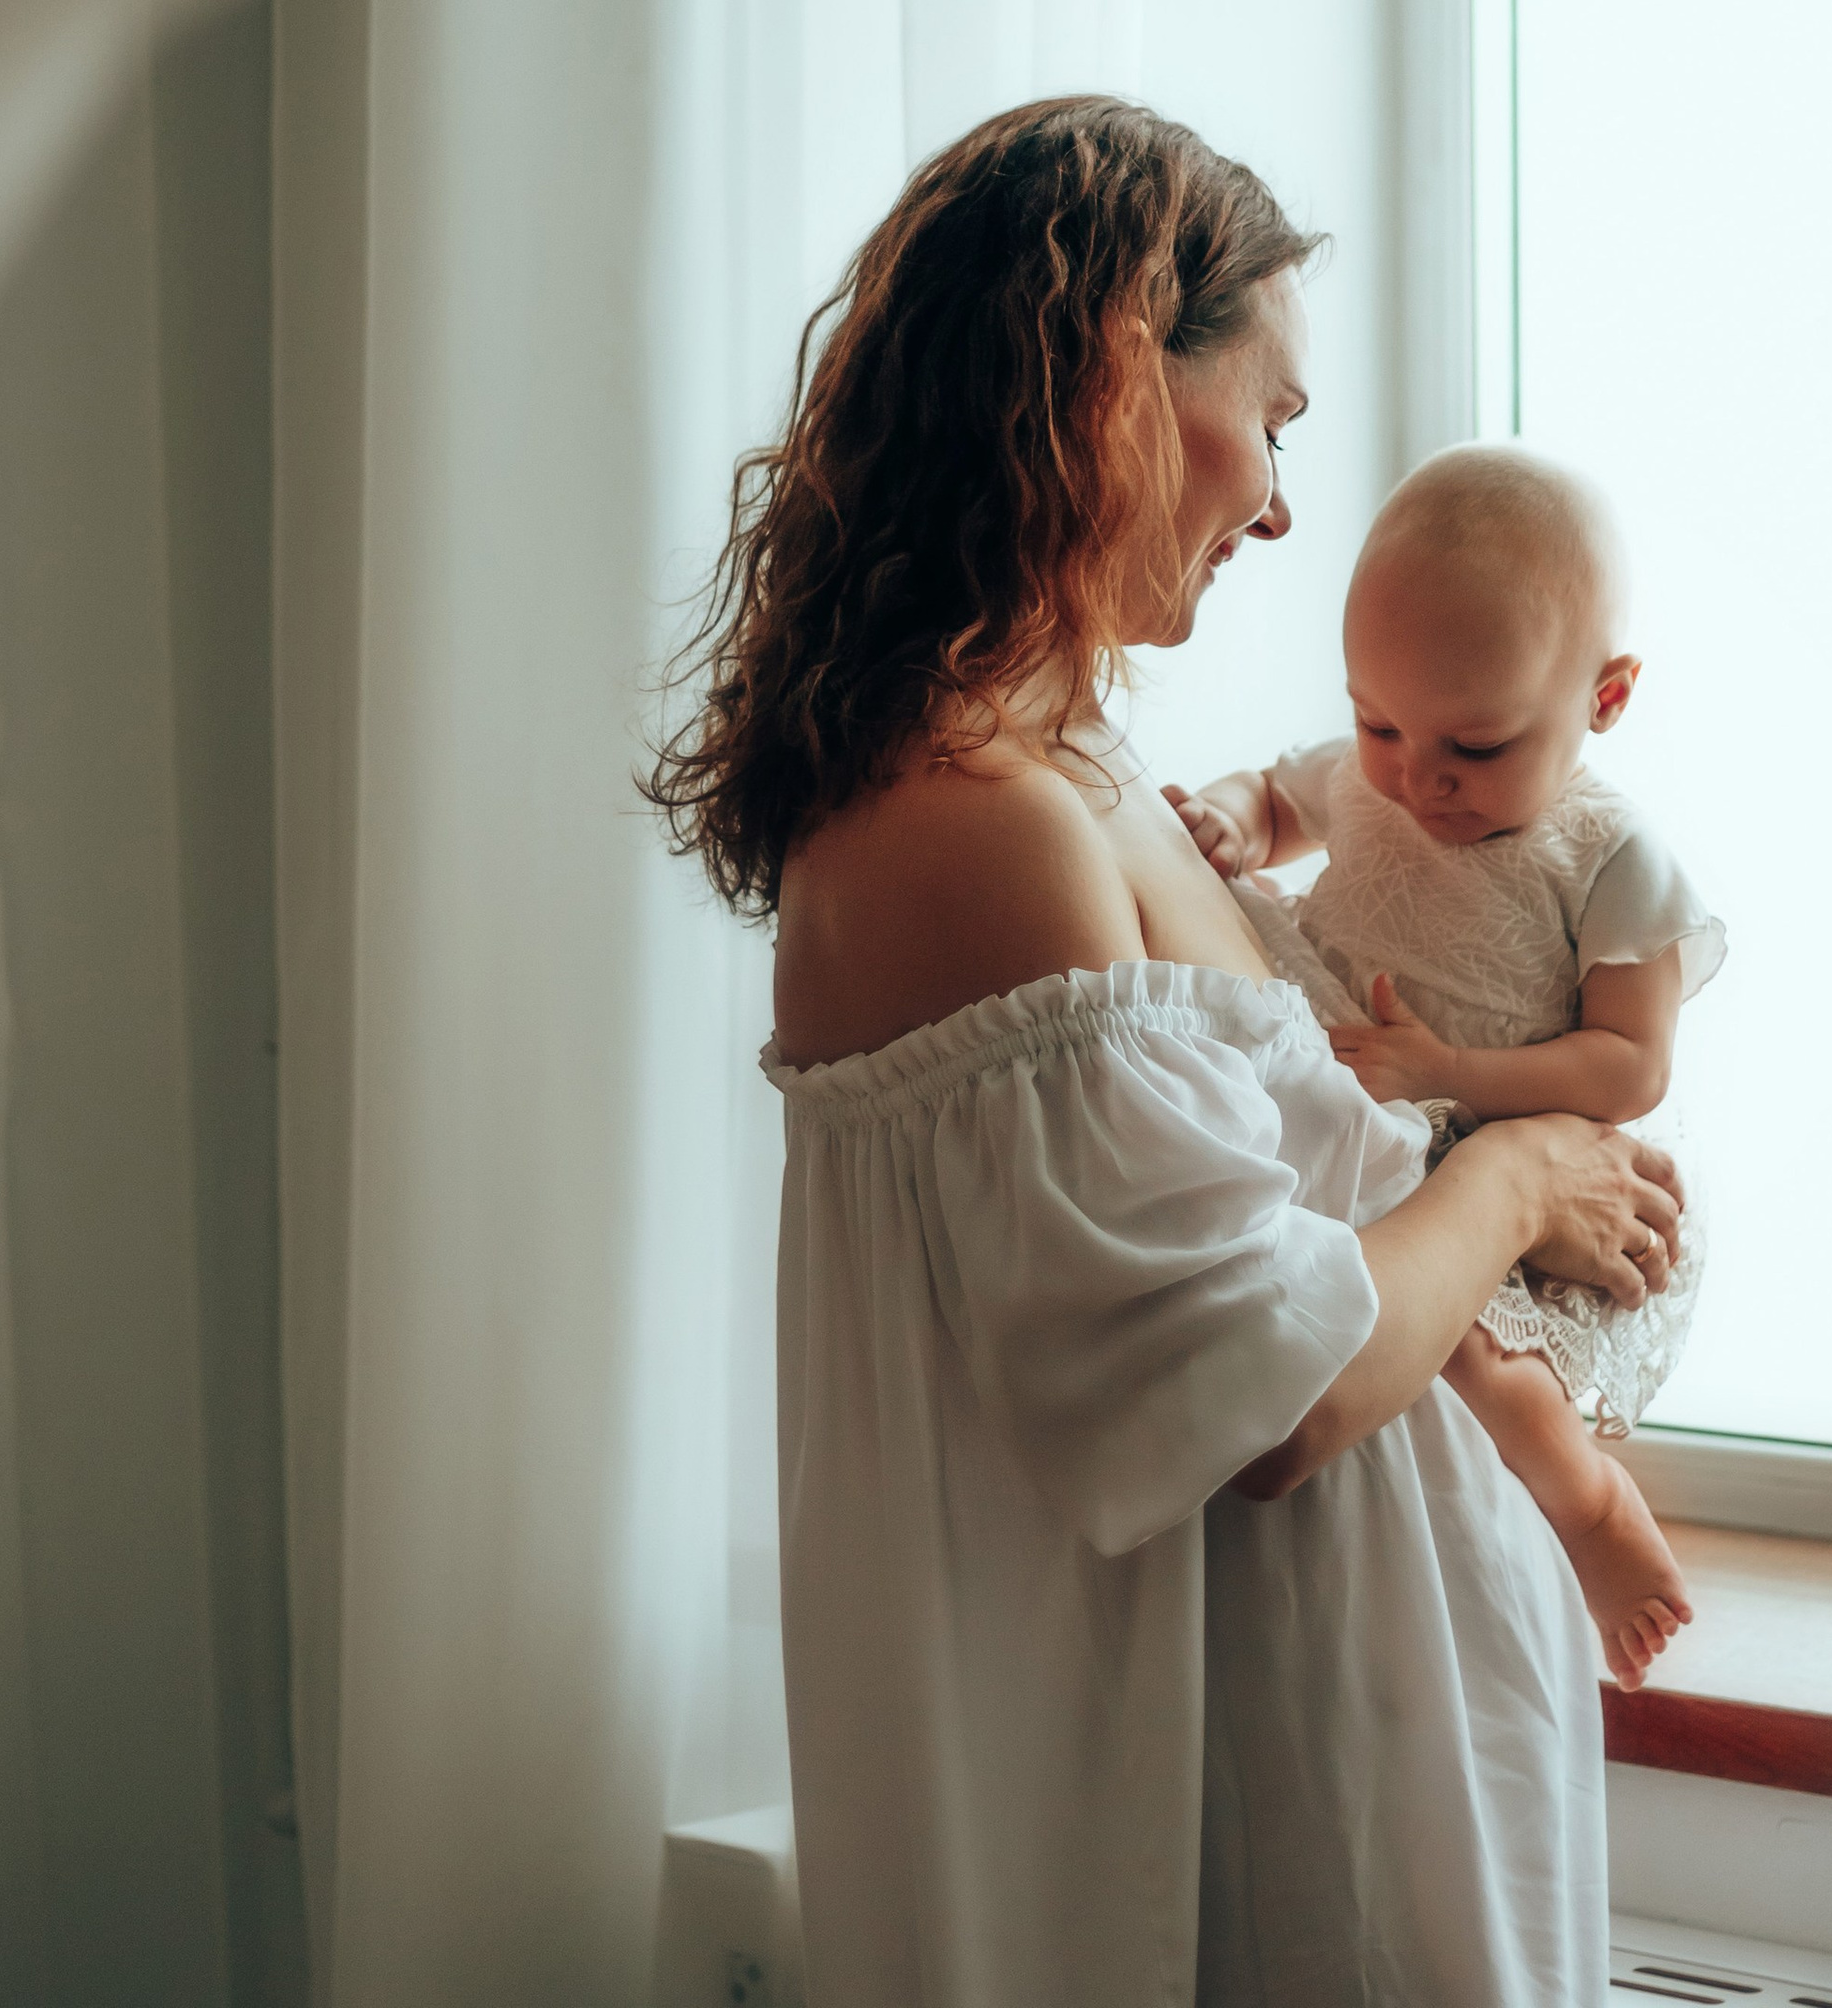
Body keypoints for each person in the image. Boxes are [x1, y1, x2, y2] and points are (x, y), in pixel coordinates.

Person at [648, 98, 1683, 2008]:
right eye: (1271, 418)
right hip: (1243, 1825)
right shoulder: (979, 822)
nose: (1280, 504)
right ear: (1125, 370)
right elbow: (1261, 1399)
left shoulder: (1075, 774)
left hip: (1349, 1779)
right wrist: (1513, 1175)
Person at [1170, 445, 1724, 1687]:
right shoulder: (1376, 776)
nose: (1418, 776)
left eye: (1475, 746)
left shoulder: (1612, 859)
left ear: (1604, 698)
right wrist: (1227, 821)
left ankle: (1591, 1506)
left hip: (1500, 1139)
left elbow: (1629, 1067)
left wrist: (1454, 1069)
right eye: (1378, 723)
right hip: (1366, 1108)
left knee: (1476, 1348)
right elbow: (1274, 798)